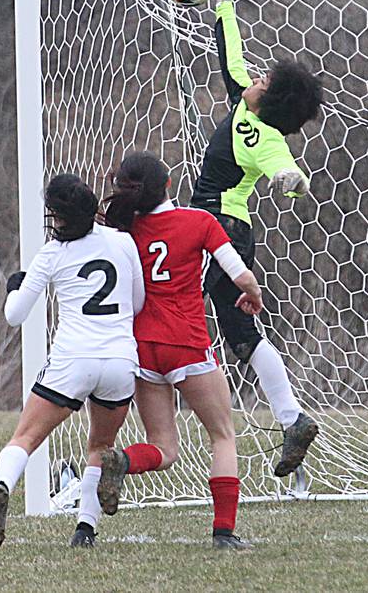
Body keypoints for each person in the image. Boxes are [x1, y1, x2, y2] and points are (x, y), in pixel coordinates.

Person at [190, 0, 322, 477]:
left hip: (217, 229)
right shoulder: (246, 99)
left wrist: (291, 179)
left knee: (162, 306)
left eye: (265, 81)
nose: (256, 79)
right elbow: (229, 54)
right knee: (242, 336)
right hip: (223, 231)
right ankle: (292, 420)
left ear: (269, 101)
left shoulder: (259, 133)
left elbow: (289, 172)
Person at [99, 151, 263, 551]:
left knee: (164, 448)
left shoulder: (124, 232)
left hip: (143, 350)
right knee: (222, 435)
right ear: (168, 185)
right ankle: (224, 532)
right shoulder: (199, 221)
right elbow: (237, 270)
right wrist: (253, 295)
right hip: (187, 344)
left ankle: (125, 461)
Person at [0, 173, 144, 550]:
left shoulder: (52, 253)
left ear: (59, 215)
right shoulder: (123, 241)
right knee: (101, 445)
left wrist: (13, 287)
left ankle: (1, 487)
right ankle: (85, 531)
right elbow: (136, 304)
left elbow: (14, 315)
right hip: (120, 360)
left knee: (25, 438)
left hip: (73, 360)